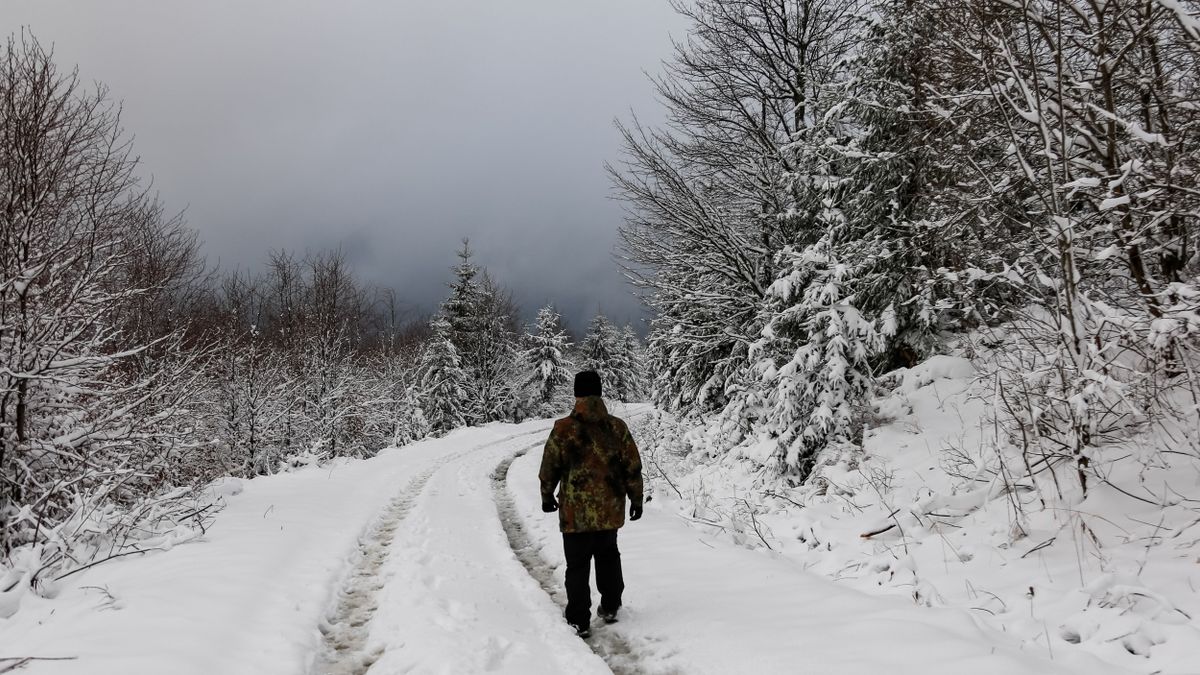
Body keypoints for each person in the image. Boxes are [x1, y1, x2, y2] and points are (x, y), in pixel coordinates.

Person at [538, 370, 643, 638]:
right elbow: (632, 467)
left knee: (577, 565)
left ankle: (578, 620)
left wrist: (547, 496)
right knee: (608, 557)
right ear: (599, 392)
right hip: (609, 510)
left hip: (575, 513)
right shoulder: (617, 427)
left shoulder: (563, 428)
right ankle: (609, 606)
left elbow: (550, 467)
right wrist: (636, 499)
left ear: (576, 394)